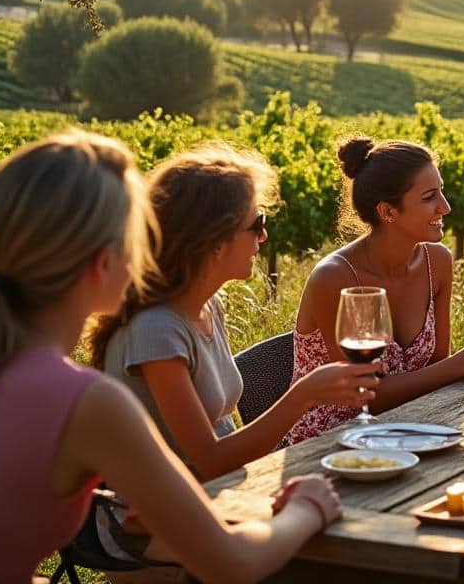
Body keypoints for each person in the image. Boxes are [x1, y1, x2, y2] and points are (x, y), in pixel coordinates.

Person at [0, 131, 340, 583]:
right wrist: (308, 507)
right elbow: (232, 565)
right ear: (104, 261)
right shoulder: (87, 400)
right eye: (138, 233)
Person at [89, 144, 382, 481]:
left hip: (223, 491)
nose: (264, 236)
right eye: (257, 223)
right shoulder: (155, 330)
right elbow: (209, 460)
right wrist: (305, 394)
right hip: (162, 519)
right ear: (214, 239)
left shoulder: (208, 305)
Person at [288, 137, 464, 444]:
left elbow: (437, 365)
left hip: (408, 428)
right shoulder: (334, 278)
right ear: (387, 211)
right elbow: (365, 395)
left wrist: (459, 367)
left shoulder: (436, 262)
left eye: (442, 191)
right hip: (327, 445)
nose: (446, 207)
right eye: (429, 197)